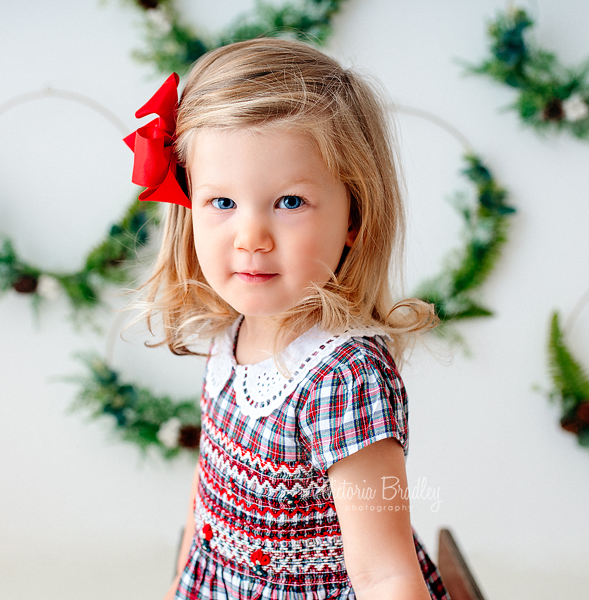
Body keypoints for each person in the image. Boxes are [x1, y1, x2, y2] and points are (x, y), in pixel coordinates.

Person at [125, 37, 448, 600]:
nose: (251, 238)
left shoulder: (343, 379)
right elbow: (206, 500)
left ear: (355, 216)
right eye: (222, 203)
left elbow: (386, 574)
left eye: (290, 202)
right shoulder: (232, 335)